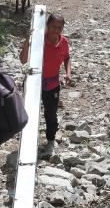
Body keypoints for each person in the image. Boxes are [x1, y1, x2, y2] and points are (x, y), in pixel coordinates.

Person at [20, 13, 72, 156]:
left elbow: (67, 57)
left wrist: (68, 73)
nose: (56, 30)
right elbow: (23, 60)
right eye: (54, 26)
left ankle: (50, 140)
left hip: (52, 84)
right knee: (29, 112)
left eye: (59, 28)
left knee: (51, 114)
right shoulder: (38, 41)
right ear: (47, 26)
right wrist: (27, 40)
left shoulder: (64, 42)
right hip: (34, 82)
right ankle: (27, 142)